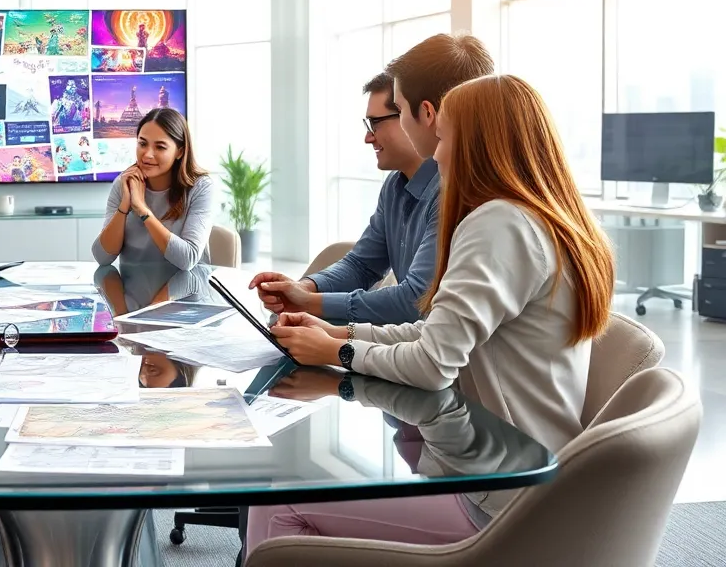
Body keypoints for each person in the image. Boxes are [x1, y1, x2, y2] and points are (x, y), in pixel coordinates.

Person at [247, 74, 615, 552]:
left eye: (443, 139)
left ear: (481, 147)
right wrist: (338, 330)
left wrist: (339, 349)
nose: (436, 155)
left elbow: (432, 365)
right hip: (516, 472)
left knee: (276, 500)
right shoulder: (543, 219)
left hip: (498, 495)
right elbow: (432, 334)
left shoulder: (498, 225)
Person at [250, 35, 494, 324]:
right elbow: (363, 265)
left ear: (426, 112)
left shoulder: (459, 194)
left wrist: (312, 304)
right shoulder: (395, 185)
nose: (368, 136)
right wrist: (304, 289)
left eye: (379, 121)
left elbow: (415, 301)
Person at [92, 107, 216, 270]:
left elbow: (187, 259)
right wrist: (125, 206)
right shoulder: (124, 182)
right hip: (133, 288)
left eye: (160, 147)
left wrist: (142, 210)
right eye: (142, 144)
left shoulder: (201, 187)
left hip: (186, 290)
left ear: (180, 151)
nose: (148, 155)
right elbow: (102, 257)